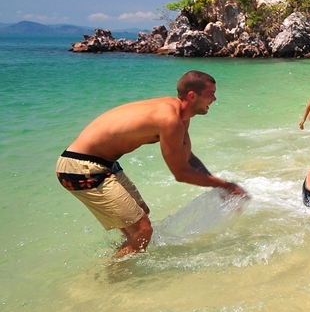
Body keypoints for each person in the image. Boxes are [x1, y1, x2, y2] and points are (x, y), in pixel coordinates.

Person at [56, 71, 247, 258]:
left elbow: (187, 157)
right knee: (143, 230)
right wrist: (226, 186)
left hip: (103, 164)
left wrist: (220, 185)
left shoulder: (180, 115)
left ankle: (122, 254)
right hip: (81, 168)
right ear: (192, 95)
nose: (214, 99)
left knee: (141, 217)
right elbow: (181, 173)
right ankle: (113, 280)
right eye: (210, 94)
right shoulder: (169, 119)